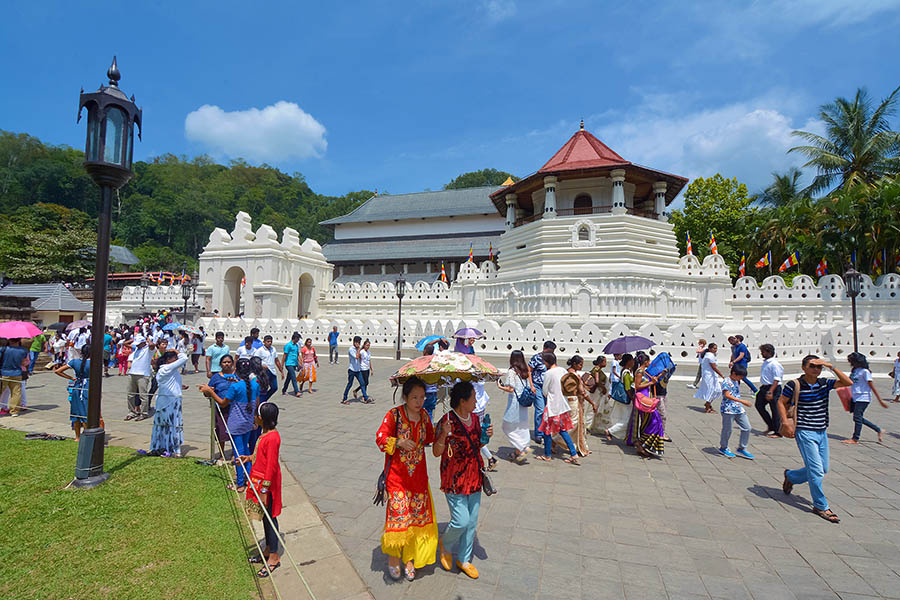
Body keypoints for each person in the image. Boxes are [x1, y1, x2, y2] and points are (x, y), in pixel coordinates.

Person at [375, 376, 437, 581]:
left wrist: (442, 431)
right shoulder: (394, 415)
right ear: (405, 397)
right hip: (397, 477)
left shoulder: (425, 416)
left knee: (414, 518)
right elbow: (380, 438)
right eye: (415, 398)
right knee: (398, 515)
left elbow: (429, 438)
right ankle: (393, 557)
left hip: (418, 477)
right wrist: (398, 441)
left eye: (422, 397)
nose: (419, 402)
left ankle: (410, 558)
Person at [779, 355, 852, 524]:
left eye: (819, 367)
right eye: (812, 366)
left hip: (821, 431)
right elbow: (781, 402)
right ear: (804, 367)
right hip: (805, 431)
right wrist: (785, 422)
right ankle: (820, 505)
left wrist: (830, 366)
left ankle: (791, 476)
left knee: (823, 468)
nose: (816, 369)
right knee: (816, 471)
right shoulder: (794, 384)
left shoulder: (824, 383)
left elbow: (848, 383)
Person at [433, 381, 492, 580]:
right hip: (454, 478)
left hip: (474, 474)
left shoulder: (475, 419)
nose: (476, 401)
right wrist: (443, 434)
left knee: (472, 522)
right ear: (462, 401)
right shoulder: (446, 420)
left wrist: (486, 436)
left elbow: (478, 443)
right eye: (473, 398)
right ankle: (446, 544)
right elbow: (436, 452)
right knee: (460, 520)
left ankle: (464, 559)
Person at [205, 358, 261, 492]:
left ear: (237, 370)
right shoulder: (254, 384)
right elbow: (257, 403)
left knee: (238, 454)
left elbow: (223, 403)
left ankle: (240, 483)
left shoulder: (235, 387)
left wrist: (210, 391)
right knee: (246, 451)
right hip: (248, 423)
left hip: (236, 423)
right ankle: (249, 478)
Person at [243, 402, 283, 578]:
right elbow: (262, 455)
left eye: (256, 415)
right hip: (259, 482)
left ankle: (274, 556)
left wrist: (265, 491)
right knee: (264, 518)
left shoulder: (273, 438)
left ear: (261, 418)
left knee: (270, 519)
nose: (255, 417)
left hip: (267, 486)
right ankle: (267, 549)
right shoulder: (264, 434)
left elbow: (272, 466)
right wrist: (249, 457)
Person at [538, 351, 579, 464]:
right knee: (563, 430)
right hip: (563, 405)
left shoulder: (548, 373)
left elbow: (545, 391)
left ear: (546, 362)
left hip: (552, 406)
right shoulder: (562, 370)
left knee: (547, 431)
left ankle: (547, 454)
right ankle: (573, 454)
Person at [148, 349, 189, 457]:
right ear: (168, 360)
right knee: (173, 424)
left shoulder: (169, 370)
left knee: (166, 425)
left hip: (170, 399)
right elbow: (184, 358)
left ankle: (163, 447)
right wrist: (176, 351)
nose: (176, 361)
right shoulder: (166, 368)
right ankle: (174, 449)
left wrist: (179, 386)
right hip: (169, 401)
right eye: (174, 359)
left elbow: (169, 383)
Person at [199, 354, 238, 461]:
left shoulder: (237, 376)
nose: (227, 364)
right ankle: (221, 454)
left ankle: (235, 453)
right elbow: (208, 393)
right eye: (224, 362)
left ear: (232, 363)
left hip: (234, 408)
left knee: (234, 431)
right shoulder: (216, 377)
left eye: (229, 362)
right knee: (221, 431)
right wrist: (207, 391)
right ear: (220, 364)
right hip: (220, 408)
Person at [842, 352, 888, 444]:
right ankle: (878, 430)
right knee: (858, 418)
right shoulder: (855, 371)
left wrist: (880, 400)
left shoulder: (865, 372)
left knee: (857, 417)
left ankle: (855, 439)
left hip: (863, 397)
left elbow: (871, 386)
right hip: (855, 396)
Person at [496, 350, 533, 463]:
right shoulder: (525, 370)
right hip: (524, 402)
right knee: (522, 426)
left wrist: (500, 386)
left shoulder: (512, 371)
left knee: (506, 426)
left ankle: (522, 447)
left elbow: (510, 388)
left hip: (515, 402)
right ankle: (519, 450)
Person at [627, 352, 664, 458]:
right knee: (653, 420)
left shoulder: (645, 372)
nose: (650, 362)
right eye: (649, 361)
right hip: (643, 400)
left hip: (647, 398)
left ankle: (643, 443)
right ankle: (641, 443)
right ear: (646, 362)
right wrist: (651, 383)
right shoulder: (639, 372)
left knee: (650, 421)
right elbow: (637, 386)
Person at [560, 355, 596, 457]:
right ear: (574, 364)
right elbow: (582, 391)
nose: (581, 366)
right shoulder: (574, 375)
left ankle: (579, 446)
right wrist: (592, 403)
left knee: (572, 424)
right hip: (574, 401)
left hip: (567, 401)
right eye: (580, 364)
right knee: (574, 424)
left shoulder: (566, 372)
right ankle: (556, 440)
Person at [54, 343, 90, 440]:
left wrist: (70, 378)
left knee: (76, 412)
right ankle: (87, 435)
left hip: (77, 386)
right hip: (88, 387)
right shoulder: (93, 363)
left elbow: (57, 371)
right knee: (85, 412)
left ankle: (77, 437)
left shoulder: (74, 362)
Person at [719, 365, 754, 459]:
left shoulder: (736, 381)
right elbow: (727, 395)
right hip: (728, 409)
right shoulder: (727, 381)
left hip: (738, 409)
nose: (741, 379)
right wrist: (742, 401)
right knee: (727, 430)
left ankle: (742, 447)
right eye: (740, 377)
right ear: (734, 374)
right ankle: (723, 447)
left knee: (747, 427)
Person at [529, 341, 556, 441]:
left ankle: (546, 431)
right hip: (538, 386)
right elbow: (529, 370)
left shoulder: (552, 358)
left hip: (548, 386)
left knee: (547, 410)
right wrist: (531, 385)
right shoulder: (536, 357)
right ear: (545, 348)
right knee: (540, 409)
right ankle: (539, 433)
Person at [602, 354, 633, 440]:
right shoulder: (626, 373)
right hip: (625, 398)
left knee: (624, 418)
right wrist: (632, 397)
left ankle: (621, 435)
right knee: (627, 420)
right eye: (632, 360)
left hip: (623, 398)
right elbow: (627, 387)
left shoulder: (625, 371)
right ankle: (610, 431)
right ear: (629, 361)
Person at [757, 344, 784, 438]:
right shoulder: (766, 362)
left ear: (769, 352)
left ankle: (778, 432)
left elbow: (777, 379)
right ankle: (771, 426)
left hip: (773, 388)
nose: (761, 353)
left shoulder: (775, 364)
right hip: (764, 387)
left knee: (775, 409)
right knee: (759, 405)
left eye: (763, 351)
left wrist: (770, 391)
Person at [124, 335, 154, 420]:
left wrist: (148, 340)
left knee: (143, 396)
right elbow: (125, 343)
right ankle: (132, 412)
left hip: (143, 375)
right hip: (132, 373)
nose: (136, 345)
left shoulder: (148, 350)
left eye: (139, 344)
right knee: (130, 394)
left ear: (143, 343)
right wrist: (133, 339)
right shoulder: (137, 348)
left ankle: (144, 413)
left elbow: (152, 346)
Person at [0, 338, 28, 417]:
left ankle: (5, 408)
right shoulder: (23, 351)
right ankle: (14, 411)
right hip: (17, 373)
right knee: (16, 393)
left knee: (1, 390)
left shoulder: (4, 349)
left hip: (4, 372)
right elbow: (23, 362)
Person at [694, 343, 724, 413]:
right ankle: (707, 406)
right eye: (714, 348)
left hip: (711, 376)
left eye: (716, 348)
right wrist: (721, 375)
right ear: (710, 348)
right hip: (709, 376)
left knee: (717, 390)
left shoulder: (709, 355)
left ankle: (708, 403)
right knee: (712, 390)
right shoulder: (709, 356)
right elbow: (713, 367)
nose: (715, 350)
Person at [342, 336, 371, 404]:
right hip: (352, 370)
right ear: (354, 342)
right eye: (358, 342)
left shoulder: (358, 349)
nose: (359, 344)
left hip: (358, 370)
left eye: (359, 343)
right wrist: (358, 349)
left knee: (362, 383)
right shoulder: (351, 349)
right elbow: (357, 357)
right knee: (350, 384)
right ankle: (344, 398)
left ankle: (366, 398)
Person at [253, 335, 283, 402]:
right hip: (264, 372)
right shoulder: (260, 351)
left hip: (272, 371)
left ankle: (263, 399)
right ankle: (261, 402)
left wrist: (281, 370)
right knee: (264, 388)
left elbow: (276, 360)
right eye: (268, 341)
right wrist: (261, 366)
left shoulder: (273, 349)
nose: (269, 343)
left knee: (274, 387)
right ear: (264, 342)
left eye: (271, 341)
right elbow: (255, 361)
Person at [422, 344, 439, 421]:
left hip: (426, 391)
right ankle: (430, 427)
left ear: (425, 351)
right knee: (429, 412)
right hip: (434, 391)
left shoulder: (423, 362)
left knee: (419, 410)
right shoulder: (435, 362)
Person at [281, 332, 301, 397]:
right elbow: (285, 355)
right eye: (298, 338)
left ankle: (284, 390)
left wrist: (300, 362)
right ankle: (297, 391)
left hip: (294, 363)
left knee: (289, 377)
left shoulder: (296, 346)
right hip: (289, 363)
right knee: (293, 377)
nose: (298, 340)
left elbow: (297, 355)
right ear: (294, 338)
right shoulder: (288, 345)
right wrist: (282, 364)